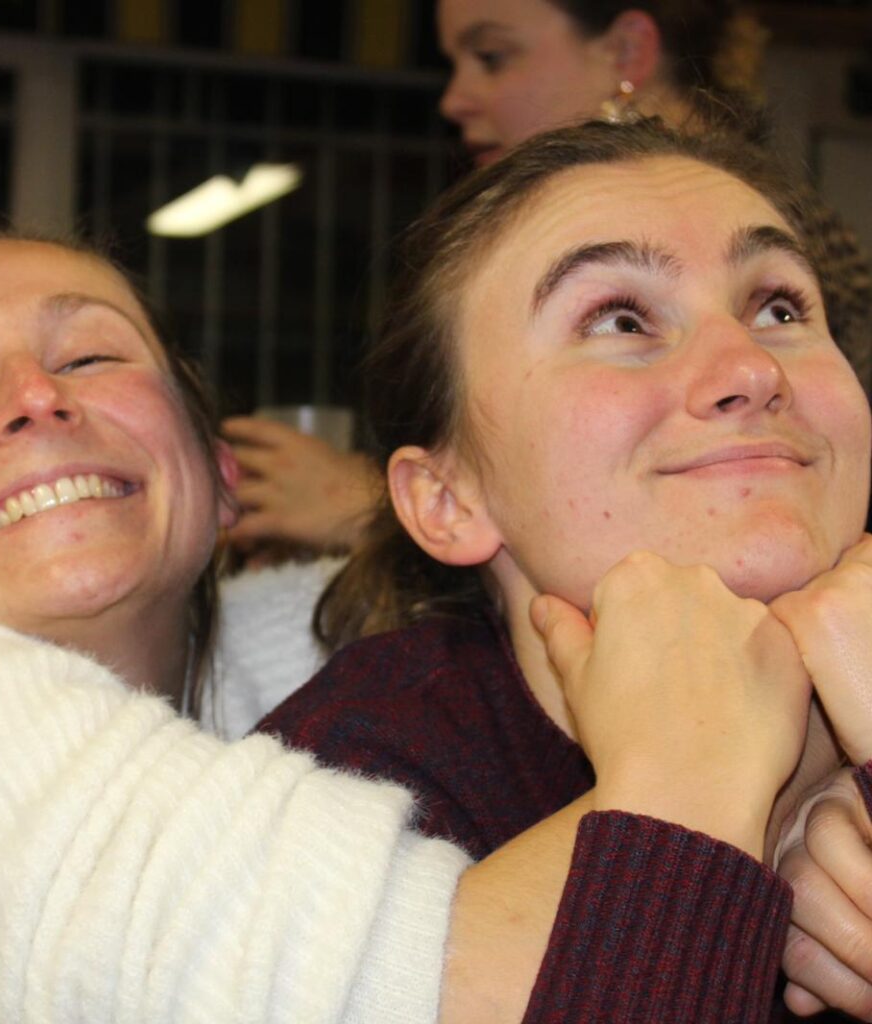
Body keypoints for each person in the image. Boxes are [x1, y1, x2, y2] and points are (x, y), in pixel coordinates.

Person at [0, 228, 799, 1023]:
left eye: (91, 357)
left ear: (224, 482)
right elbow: (427, 990)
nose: (34, 397)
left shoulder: (336, 659)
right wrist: (715, 769)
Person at [256, 118, 872, 1020]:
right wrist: (691, 812)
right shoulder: (346, 798)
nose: (749, 367)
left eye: (779, 307)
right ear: (448, 499)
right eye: (620, 319)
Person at [222, 0, 872, 557]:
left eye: (494, 56)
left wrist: (360, 505)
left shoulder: (804, 241)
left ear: (625, 51)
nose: (455, 97)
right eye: (623, 320)